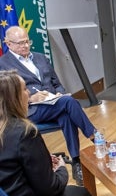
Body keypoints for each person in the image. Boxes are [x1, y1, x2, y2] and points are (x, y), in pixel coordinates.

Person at [0, 26, 97, 186]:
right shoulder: (3, 64)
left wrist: (59, 94)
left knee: (66, 113)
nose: (25, 46)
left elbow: (57, 83)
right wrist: (30, 98)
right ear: (8, 44)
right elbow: (7, 96)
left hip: (54, 104)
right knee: (69, 103)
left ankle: (76, 161)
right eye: (19, 43)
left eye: (27, 42)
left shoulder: (40, 57)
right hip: (29, 109)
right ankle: (95, 137)